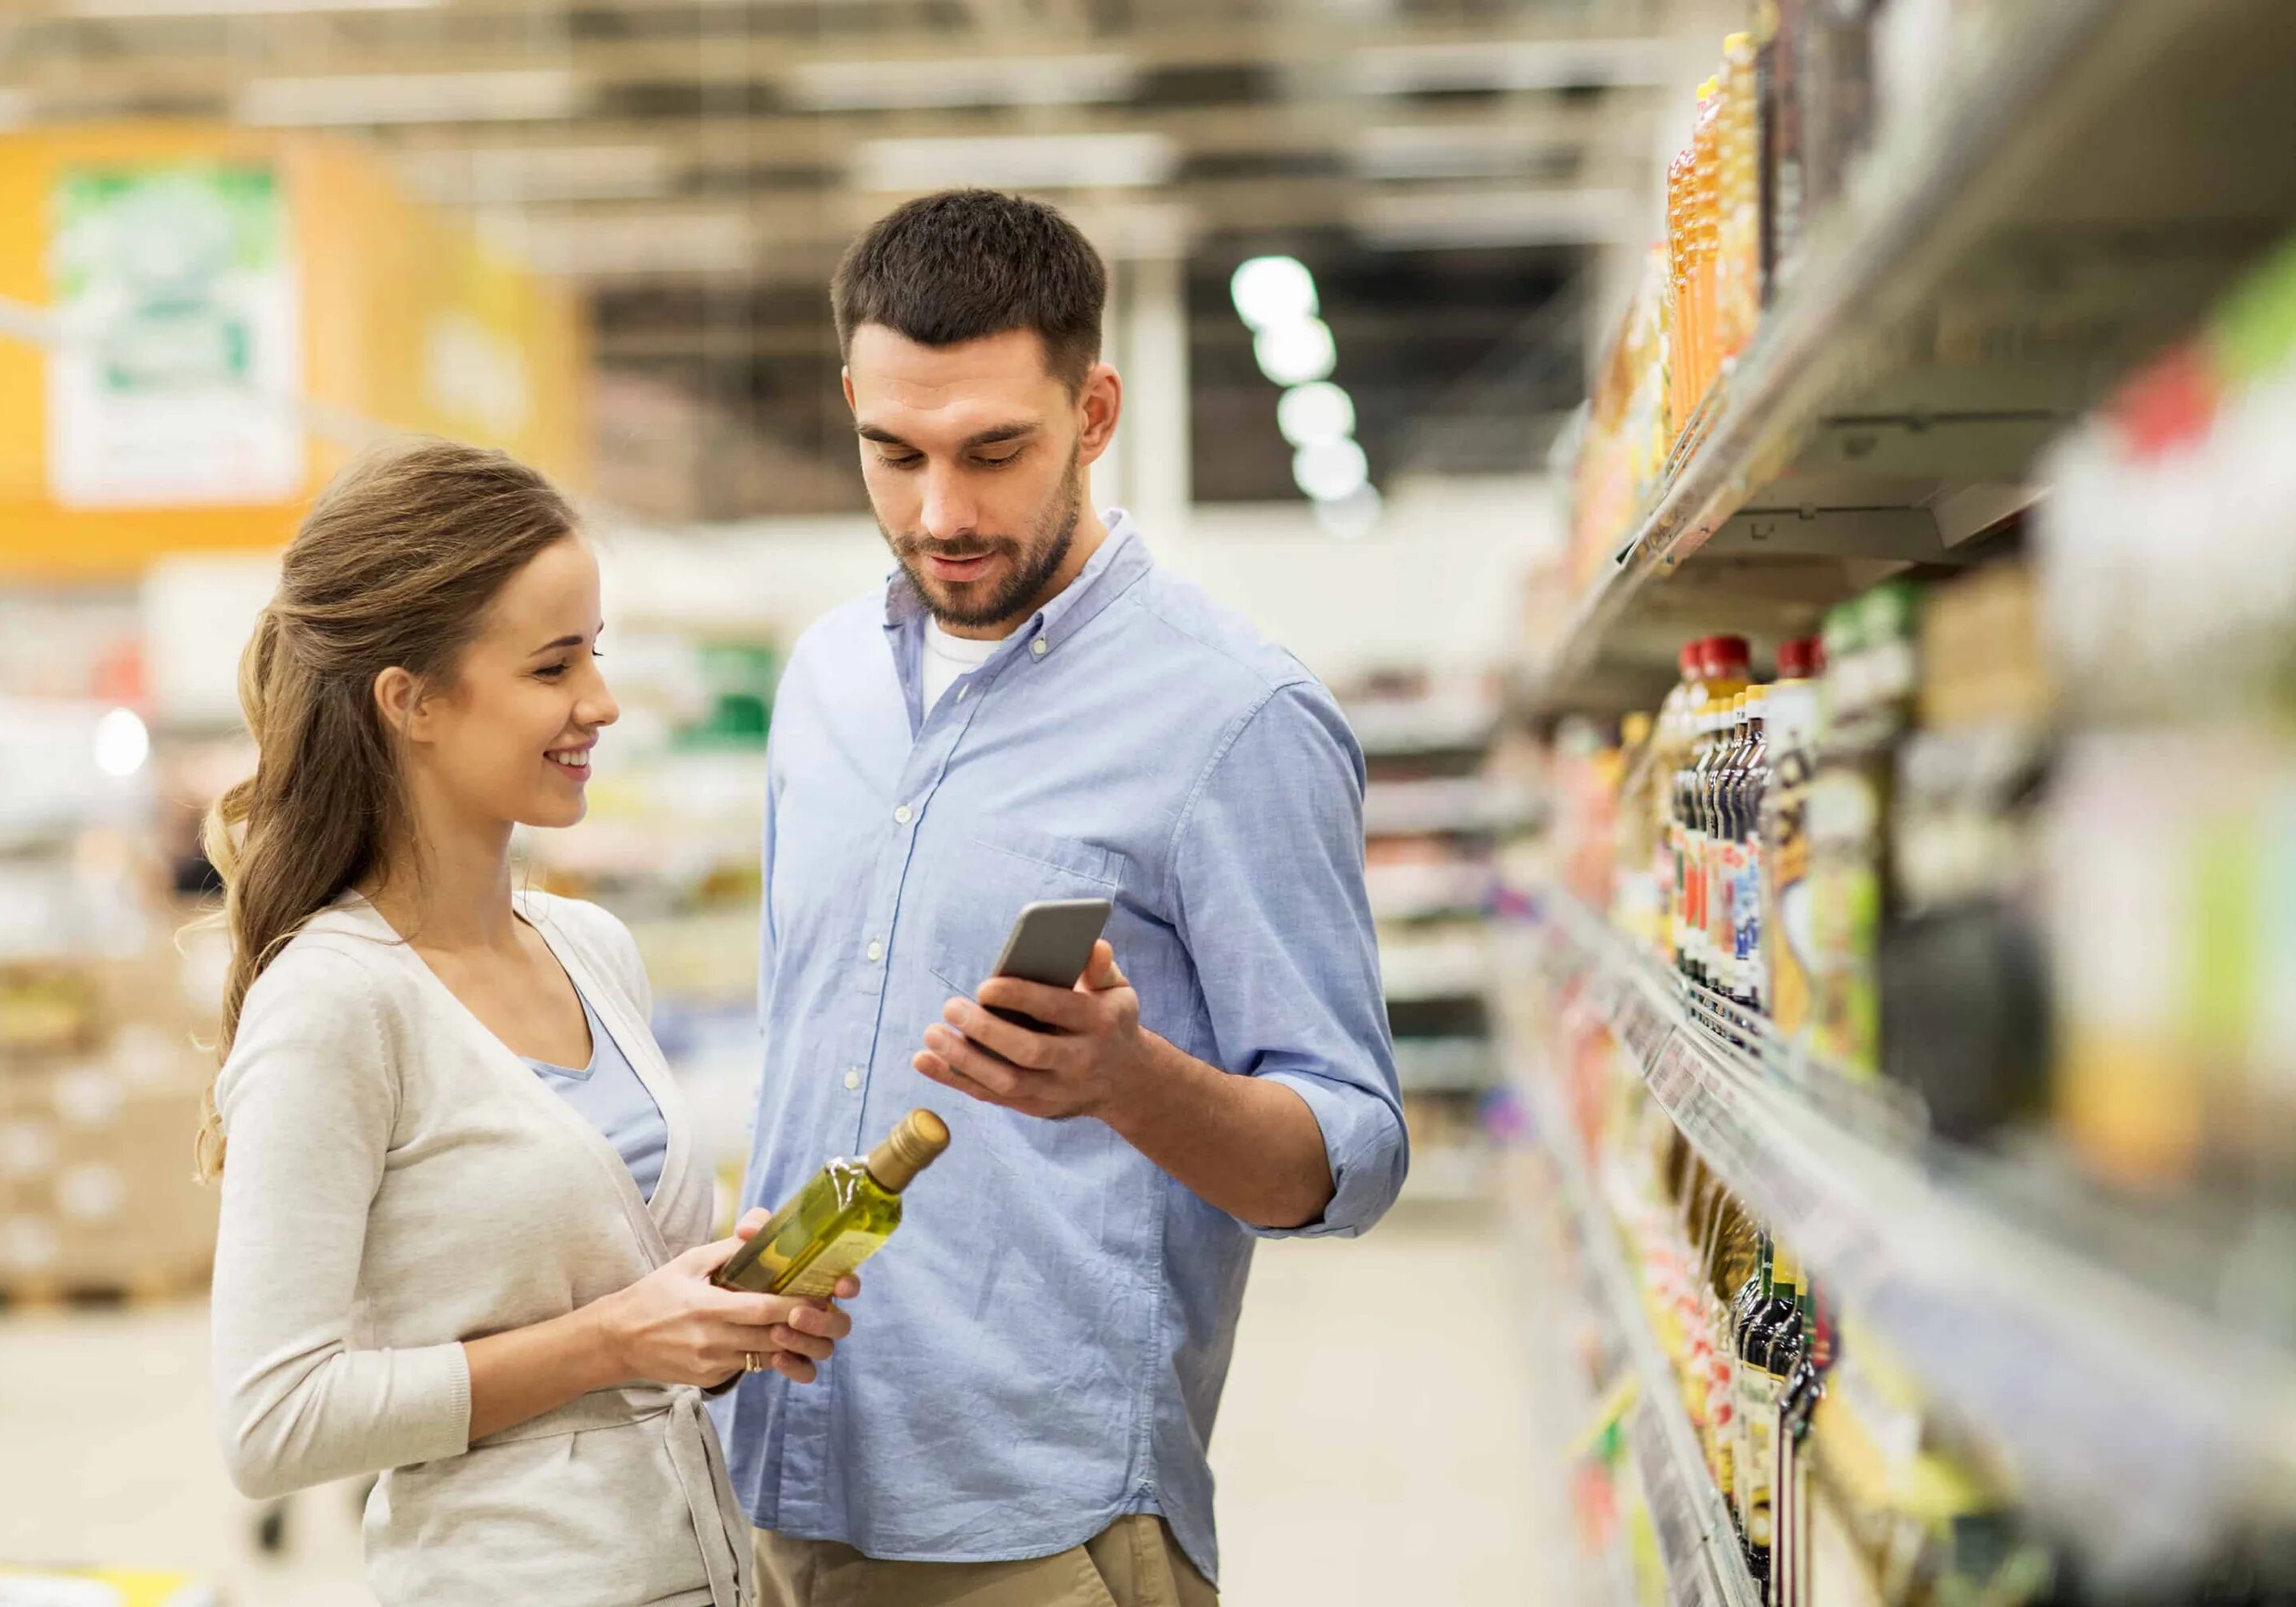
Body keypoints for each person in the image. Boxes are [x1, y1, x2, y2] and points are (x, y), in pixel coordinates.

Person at [730, 189, 1409, 1605]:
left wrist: (1131, 1081)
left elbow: (1354, 1153)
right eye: (893, 451)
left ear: (1095, 414)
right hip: (771, 1464)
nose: (942, 513)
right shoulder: (822, 686)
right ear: (851, 400)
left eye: (996, 451)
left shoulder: (1235, 718)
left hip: (1035, 1523)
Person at [203, 439, 859, 1607]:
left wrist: (721, 1314)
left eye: (595, 657)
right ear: (410, 701)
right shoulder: (337, 1004)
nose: (600, 704)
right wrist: (617, 1340)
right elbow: (273, 1419)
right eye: (554, 667)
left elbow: (626, 1316)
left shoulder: (589, 950)